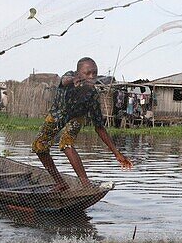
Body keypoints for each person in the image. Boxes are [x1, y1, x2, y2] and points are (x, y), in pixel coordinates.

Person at [32, 57, 133, 190]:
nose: (91, 77)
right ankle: (60, 182)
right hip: (58, 114)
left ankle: (86, 185)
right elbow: (64, 80)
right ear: (78, 73)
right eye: (87, 73)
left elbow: (99, 128)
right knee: (39, 146)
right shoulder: (70, 76)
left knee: (67, 144)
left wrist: (117, 154)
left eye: (94, 73)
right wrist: (73, 80)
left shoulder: (93, 95)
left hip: (76, 117)